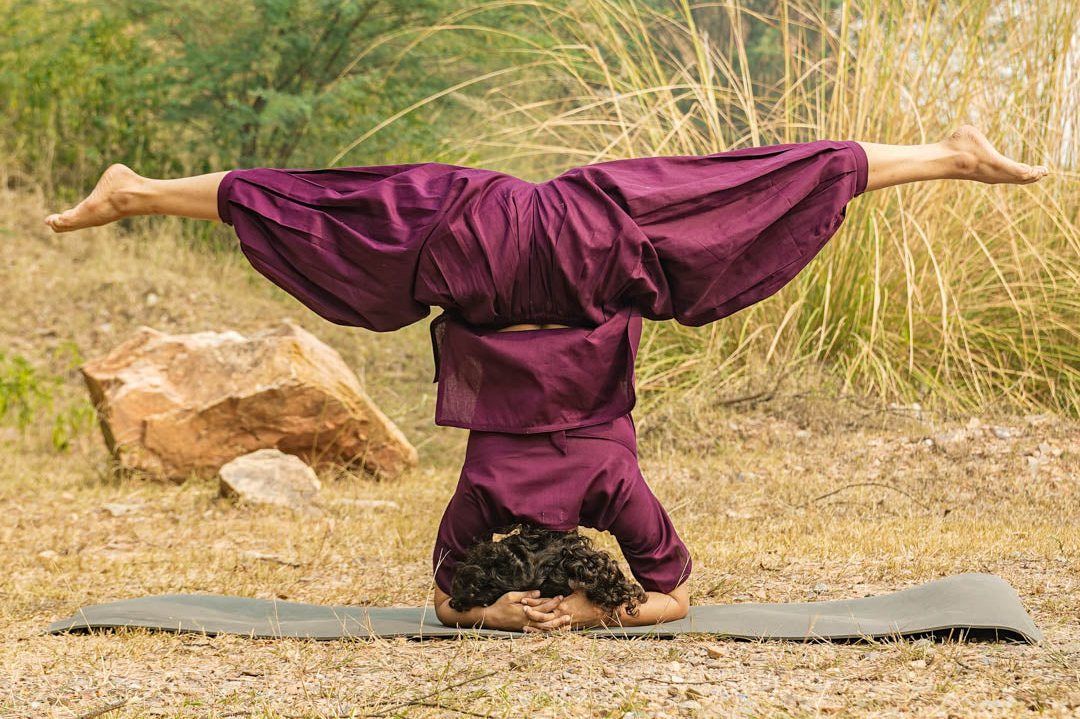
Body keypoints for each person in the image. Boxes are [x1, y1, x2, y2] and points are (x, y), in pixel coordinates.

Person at [45, 126, 1048, 631]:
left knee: (741, 190)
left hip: (574, 251)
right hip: (491, 248)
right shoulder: (483, 503)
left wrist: (588, 612)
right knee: (328, 209)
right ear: (531, 547)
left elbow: (674, 596)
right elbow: (451, 599)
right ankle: (139, 193)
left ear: (570, 546)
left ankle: (946, 155)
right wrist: (519, 613)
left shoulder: (612, 493)